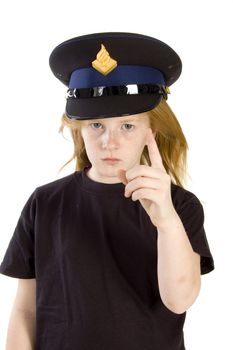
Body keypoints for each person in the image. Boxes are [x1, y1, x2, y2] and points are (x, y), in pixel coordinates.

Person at [0, 32, 215, 350]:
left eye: (127, 126)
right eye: (96, 125)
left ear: (149, 133)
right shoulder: (45, 202)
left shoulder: (180, 207)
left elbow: (180, 300)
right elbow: (25, 310)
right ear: (79, 129)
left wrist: (166, 221)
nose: (108, 142)